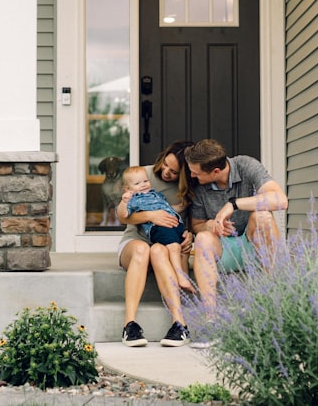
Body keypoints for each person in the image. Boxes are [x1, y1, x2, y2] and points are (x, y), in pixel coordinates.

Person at [185, 138, 288, 315]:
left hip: (254, 248)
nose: (192, 176)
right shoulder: (199, 187)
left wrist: (233, 204)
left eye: (196, 172)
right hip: (223, 251)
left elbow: (280, 200)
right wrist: (211, 226)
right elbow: (197, 225)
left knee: (263, 216)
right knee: (202, 238)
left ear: (215, 171)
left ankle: (275, 301)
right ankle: (210, 317)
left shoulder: (246, 165)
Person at [117, 139, 195, 347]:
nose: (167, 172)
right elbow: (124, 217)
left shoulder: (188, 188)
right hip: (136, 241)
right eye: (165, 164)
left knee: (158, 251)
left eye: (175, 171)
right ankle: (129, 325)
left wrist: (190, 235)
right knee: (143, 249)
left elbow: (190, 220)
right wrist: (151, 216)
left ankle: (179, 324)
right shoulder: (143, 175)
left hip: (166, 243)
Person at [116, 165, 194, 292]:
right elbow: (123, 215)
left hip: (174, 225)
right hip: (158, 227)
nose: (143, 185)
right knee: (174, 247)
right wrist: (124, 202)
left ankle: (182, 294)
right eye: (137, 183)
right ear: (128, 188)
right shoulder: (134, 200)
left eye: (146, 181)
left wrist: (182, 206)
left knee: (183, 249)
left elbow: (169, 209)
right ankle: (181, 276)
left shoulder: (157, 195)